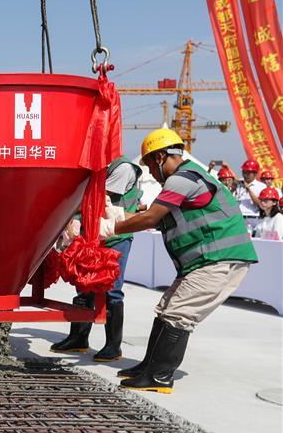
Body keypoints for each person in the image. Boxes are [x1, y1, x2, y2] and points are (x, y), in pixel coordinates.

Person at [99, 128, 257, 394]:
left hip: (219, 260)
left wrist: (109, 227)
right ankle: (148, 367)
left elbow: (150, 217)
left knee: (178, 313)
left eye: (150, 165)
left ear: (160, 157)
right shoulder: (187, 180)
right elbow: (152, 217)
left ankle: (159, 376)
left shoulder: (182, 179)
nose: (150, 172)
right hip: (204, 262)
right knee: (166, 309)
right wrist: (114, 214)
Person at [52, 156, 142, 361]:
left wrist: (64, 210)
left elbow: (97, 201)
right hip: (92, 234)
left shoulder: (122, 168)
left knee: (112, 289)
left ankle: (113, 346)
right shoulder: (95, 167)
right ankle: (79, 338)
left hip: (115, 236)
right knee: (84, 285)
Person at [235, 159, 266, 231]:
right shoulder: (239, 183)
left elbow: (260, 204)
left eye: (248, 173)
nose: (245, 175)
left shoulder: (261, 186)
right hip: (238, 218)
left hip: (252, 218)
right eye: (244, 172)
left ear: (255, 173)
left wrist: (248, 189)